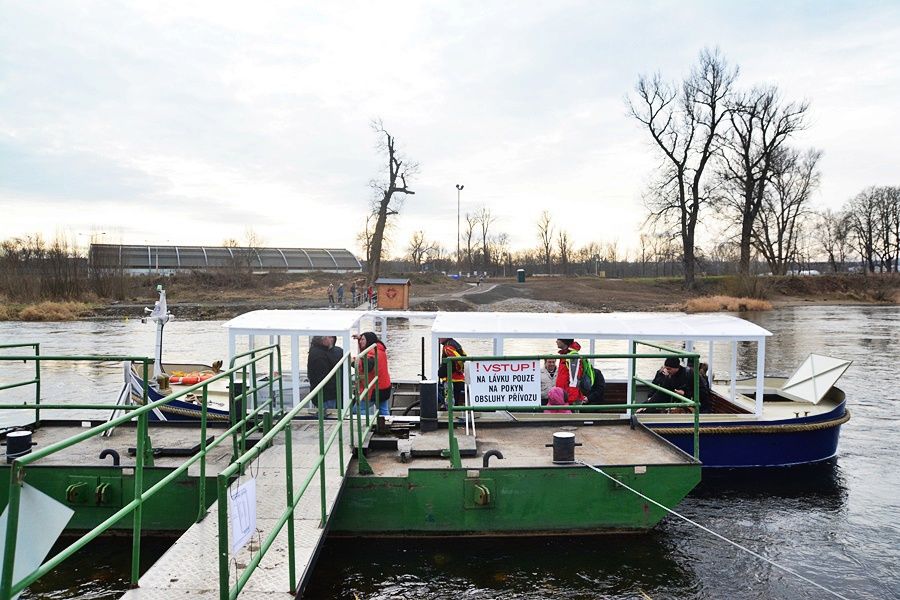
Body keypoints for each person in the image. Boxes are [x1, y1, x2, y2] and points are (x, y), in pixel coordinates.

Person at [355, 331, 392, 416]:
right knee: (383, 409)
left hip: (375, 389)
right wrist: (360, 338)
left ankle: (365, 426)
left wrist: (353, 361)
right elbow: (365, 353)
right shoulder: (379, 348)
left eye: (363, 339)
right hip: (385, 386)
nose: (360, 342)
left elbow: (366, 366)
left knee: (359, 409)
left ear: (368, 341)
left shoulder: (372, 353)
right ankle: (386, 425)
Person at [307, 336, 342, 410]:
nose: (331, 340)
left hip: (325, 393)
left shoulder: (317, 351)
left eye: (332, 337)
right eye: (329, 337)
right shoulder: (319, 355)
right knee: (328, 413)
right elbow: (321, 376)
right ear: (323, 340)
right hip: (327, 394)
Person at [555, 338, 587, 405]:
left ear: (564, 341)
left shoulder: (572, 355)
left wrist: (571, 399)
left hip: (570, 397)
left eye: (558, 339)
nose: (556, 341)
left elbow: (575, 379)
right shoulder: (565, 355)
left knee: (572, 415)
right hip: (564, 395)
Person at [438, 338, 467, 407]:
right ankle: (456, 413)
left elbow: (459, 359)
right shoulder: (455, 343)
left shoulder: (447, 347)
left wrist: (458, 369)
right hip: (459, 378)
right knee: (456, 400)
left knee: (449, 401)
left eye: (440, 337)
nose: (438, 339)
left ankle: (450, 415)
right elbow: (464, 355)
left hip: (451, 379)